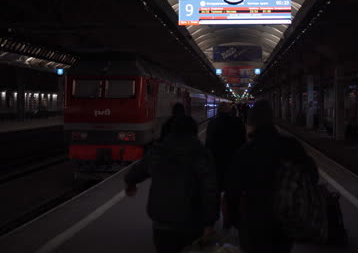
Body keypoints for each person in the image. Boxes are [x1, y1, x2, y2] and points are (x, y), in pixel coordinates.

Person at [224, 100, 317, 253]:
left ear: (251, 123)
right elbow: (311, 175)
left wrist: (236, 220)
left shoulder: (245, 152)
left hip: (252, 222)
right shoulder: (291, 145)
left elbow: (232, 190)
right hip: (285, 221)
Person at [124, 116, 219, 253]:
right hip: (192, 222)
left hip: (162, 222)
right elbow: (210, 190)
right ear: (194, 131)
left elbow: (136, 172)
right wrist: (209, 222)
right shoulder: (202, 155)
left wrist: (130, 183)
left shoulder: (157, 152)